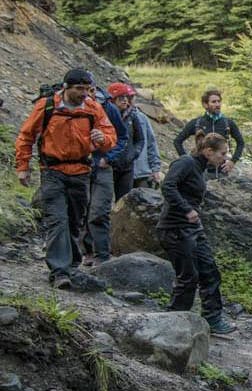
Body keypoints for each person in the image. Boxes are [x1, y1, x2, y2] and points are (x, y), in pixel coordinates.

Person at [14, 68, 116, 289]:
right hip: (52, 171)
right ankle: (59, 271)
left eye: (87, 89)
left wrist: (103, 139)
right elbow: (26, 135)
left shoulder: (93, 108)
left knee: (75, 220)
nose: (84, 94)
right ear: (66, 87)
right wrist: (23, 166)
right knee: (57, 219)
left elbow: (110, 137)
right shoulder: (47, 106)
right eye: (79, 89)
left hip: (81, 172)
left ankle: (72, 265)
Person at [157, 133, 236, 334]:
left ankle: (212, 319)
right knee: (188, 277)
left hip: (192, 228)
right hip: (175, 227)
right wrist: (186, 209)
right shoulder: (185, 163)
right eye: (223, 153)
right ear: (208, 151)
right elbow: (167, 186)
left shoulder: (202, 166)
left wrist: (227, 166)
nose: (225, 157)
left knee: (209, 270)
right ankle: (174, 321)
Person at [79, 84, 132, 266]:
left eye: (90, 89)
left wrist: (108, 157)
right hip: (78, 167)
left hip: (102, 166)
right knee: (81, 210)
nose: (87, 93)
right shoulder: (68, 106)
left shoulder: (108, 108)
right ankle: (85, 252)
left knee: (99, 210)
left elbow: (122, 137)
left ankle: (102, 255)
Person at [173, 88, 244, 173]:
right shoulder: (196, 123)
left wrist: (232, 161)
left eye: (219, 101)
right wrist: (187, 161)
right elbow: (177, 141)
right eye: (214, 102)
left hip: (222, 170)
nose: (217, 104)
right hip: (200, 171)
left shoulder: (228, 123)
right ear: (205, 104)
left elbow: (240, 142)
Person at [104, 82, 153, 196]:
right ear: (112, 100)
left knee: (124, 199)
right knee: (104, 201)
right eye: (121, 98)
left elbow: (140, 140)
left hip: (127, 167)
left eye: (126, 97)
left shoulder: (132, 116)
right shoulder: (103, 116)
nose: (125, 100)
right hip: (108, 166)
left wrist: (133, 154)